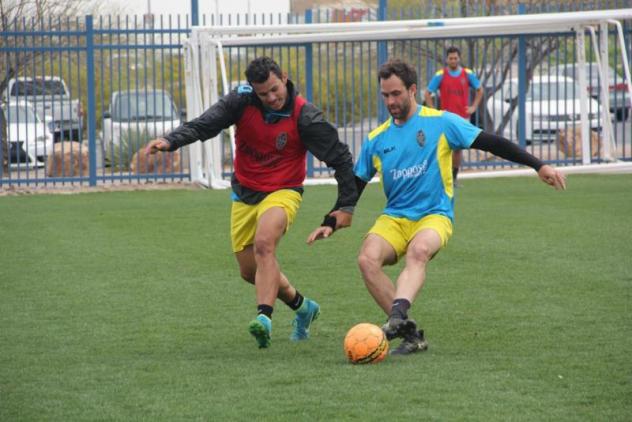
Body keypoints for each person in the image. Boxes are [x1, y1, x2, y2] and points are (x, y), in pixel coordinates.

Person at [308, 59, 566, 356]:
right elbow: (356, 184)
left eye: (396, 94)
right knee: (367, 260)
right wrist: (331, 219)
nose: (390, 101)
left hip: (434, 215)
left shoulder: (441, 122)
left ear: (413, 90)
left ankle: (395, 318)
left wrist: (538, 165)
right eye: (385, 95)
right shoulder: (376, 139)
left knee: (419, 252)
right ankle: (410, 333)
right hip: (395, 218)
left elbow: (492, 143)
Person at [145, 57, 358, 349]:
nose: (271, 98)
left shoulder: (305, 117)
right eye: (263, 94)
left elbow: (341, 159)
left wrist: (344, 207)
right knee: (251, 271)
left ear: (284, 77)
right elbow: (206, 124)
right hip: (245, 192)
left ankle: (264, 318)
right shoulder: (240, 102)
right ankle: (303, 307)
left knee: (264, 244)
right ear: (252, 90)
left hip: (284, 191)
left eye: (274, 89)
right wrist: (171, 140)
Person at [424, 46, 484, 185]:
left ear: (459, 58)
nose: (453, 60)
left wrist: (473, 106)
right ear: (447, 59)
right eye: (450, 58)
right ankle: (440, 177)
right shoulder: (440, 75)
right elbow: (428, 93)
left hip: (462, 118)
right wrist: (433, 111)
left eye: (455, 58)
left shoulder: (467, 73)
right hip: (445, 118)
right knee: (442, 147)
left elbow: (480, 90)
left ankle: (454, 177)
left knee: (457, 148)